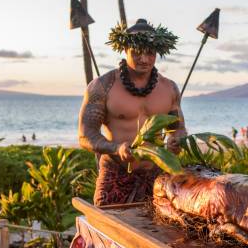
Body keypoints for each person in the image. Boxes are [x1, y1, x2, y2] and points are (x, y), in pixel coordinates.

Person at [78, 18, 186, 206]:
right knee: (108, 229)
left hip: (156, 174)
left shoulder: (169, 88)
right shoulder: (102, 87)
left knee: (156, 231)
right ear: (124, 50)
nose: (143, 59)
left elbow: (177, 128)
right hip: (115, 172)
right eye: (136, 53)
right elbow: (86, 136)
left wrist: (176, 141)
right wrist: (116, 148)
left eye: (150, 53)